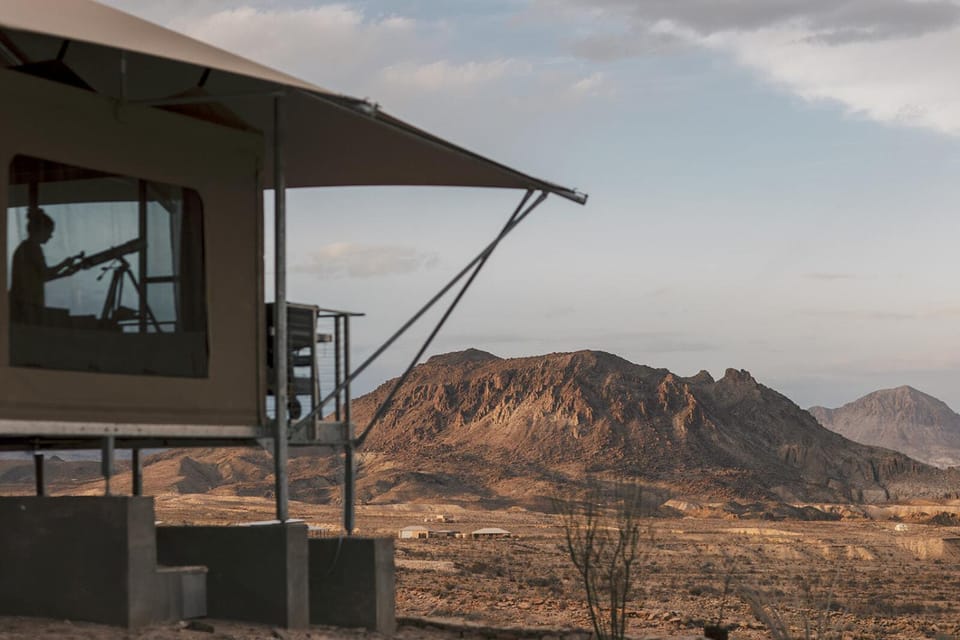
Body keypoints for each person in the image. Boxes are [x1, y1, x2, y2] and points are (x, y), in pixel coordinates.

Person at [9, 207, 80, 324]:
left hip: (23, 304)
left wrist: (64, 267)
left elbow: (41, 276)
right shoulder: (33, 249)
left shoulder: (26, 247)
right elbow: (45, 275)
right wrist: (64, 269)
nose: (50, 236)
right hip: (26, 307)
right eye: (49, 232)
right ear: (41, 230)